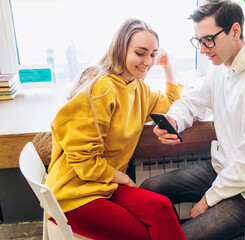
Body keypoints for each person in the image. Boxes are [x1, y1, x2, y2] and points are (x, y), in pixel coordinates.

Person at [140, 1, 245, 239]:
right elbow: (192, 101)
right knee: (150, 191)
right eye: (198, 41)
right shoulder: (223, 66)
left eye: (209, 40)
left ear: (234, 31)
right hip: (227, 170)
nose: (203, 49)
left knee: (182, 237)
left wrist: (208, 199)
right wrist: (174, 119)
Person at [45, 18, 186, 240]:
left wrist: (167, 67)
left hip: (104, 184)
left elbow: (170, 102)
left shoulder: (137, 86)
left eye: (152, 54)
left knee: (161, 207)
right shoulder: (102, 87)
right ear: (121, 50)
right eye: (140, 53)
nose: (148, 61)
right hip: (74, 194)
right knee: (143, 235)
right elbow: (84, 162)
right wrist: (124, 178)